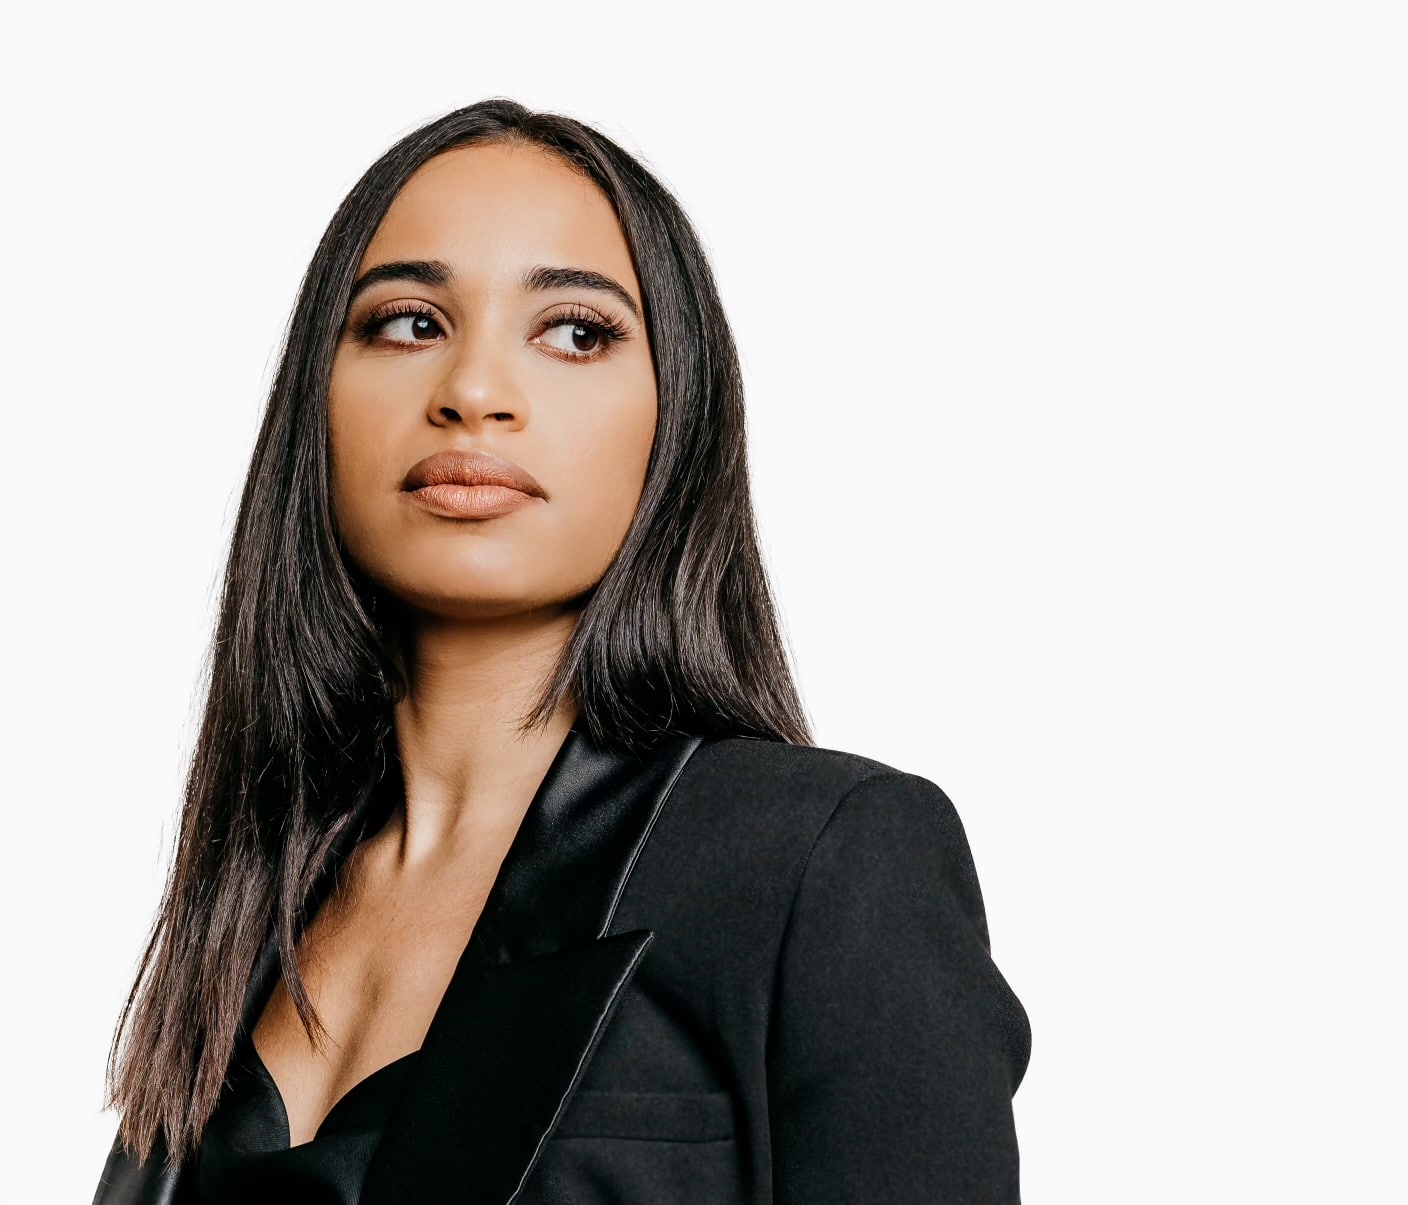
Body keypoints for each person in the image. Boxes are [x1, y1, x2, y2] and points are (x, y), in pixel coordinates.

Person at [90, 97, 1032, 1205]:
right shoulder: (250, 901)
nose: (473, 393)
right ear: (319, 401)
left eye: (575, 332)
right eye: (406, 322)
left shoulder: (817, 858)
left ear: (674, 414)